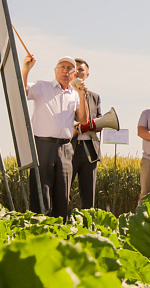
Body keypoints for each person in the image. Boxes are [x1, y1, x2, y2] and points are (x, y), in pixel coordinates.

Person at [22, 55, 89, 218]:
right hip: (43, 146)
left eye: (69, 69)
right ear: (55, 71)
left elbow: (83, 120)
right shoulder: (42, 86)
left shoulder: (74, 94)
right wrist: (26, 70)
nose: (65, 71)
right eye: (62, 67)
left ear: (74, 74)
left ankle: (60, 232)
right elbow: (22, 91)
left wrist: (82, 95)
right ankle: (39, 230)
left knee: (62, 193)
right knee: (41, 192)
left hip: (66, 148)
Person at [70, 58, 101, 210]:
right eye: (75, 69)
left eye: (81, 69)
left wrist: (93, 125)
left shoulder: (95, 97)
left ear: (87, 74)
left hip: (89, 149)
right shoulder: (65, 94)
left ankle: (87, 225)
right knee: (63, 190)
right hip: (70, 147)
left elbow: (100, 120)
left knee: (88, 194)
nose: (78, 71)